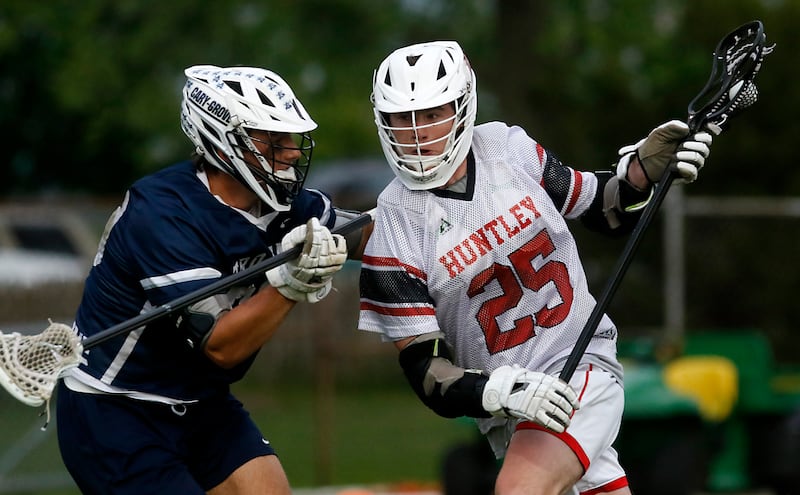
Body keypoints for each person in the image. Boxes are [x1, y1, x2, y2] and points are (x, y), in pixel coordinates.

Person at [358, 41, 713, 494]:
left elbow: (602, 208)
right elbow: (428, 374)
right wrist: (500, 390)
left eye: (431, 114)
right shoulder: (391, 232)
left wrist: (641, 172)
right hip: (511, 412)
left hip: (579, 366)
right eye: (401, 120)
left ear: (463, 105)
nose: (417, 133)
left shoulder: (508, 149)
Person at [56, 64, 368, 495]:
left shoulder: (283, 203)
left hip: (200, 402)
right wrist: (292, 282)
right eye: (272, 139)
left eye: (291, 138)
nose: (292, 152)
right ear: (223, 143)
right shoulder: (163, 215)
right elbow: (222, 346)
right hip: (116, 407)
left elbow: (368, 235)